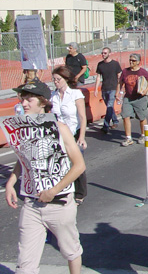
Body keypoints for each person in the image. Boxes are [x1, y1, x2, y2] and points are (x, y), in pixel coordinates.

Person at [5, 80, 85, 274]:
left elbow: (79, 165)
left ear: (42, 102)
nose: (24, 104)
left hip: (59, 203)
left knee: (71, 251)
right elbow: (24, 159)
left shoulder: (60, 128)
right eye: (22, 99)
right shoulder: (22, 130)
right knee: (25, 265)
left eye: (29, 99)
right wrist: (11, 182)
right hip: (31, 204)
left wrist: (53, 191)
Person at [51, 66, 88, 205]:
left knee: (76, 162)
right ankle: (63, 190)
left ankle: (80, 193)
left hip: (74, 132)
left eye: (58, 79)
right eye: (54, 79)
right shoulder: (53, 96)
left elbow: (82, 117)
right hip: (59, 134)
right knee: (61, 163)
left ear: (66, 79)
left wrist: (82, 136)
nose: (55, 82)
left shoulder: (75, 94)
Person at [117, 53, 148, 146]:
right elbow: (120, 82)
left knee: (142, 117)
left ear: (138, 62)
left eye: (133, 60)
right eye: (130, 60)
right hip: (128, 98)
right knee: (125, 116)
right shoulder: (125, 71)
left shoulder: (142, 72)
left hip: (140, 98)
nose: (131, 62)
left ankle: (143, 135)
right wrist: (119, 93)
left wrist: (146, 90)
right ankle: (128, 138)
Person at [94, 47, 122, 134]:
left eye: (105, 53)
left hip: (113, 88)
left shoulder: (115, 64)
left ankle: (105, 126)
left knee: (110, 105)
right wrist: (96, 89)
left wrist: (119, 89)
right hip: (104, 88)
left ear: (110, 54)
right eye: (102, 53)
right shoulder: (100, 65)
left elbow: (119, 77)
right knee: (109, 107)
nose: (103, 55)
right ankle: (115, 120)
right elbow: (98, 77)